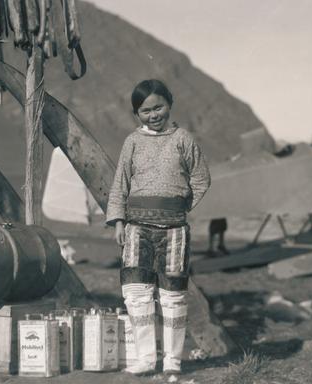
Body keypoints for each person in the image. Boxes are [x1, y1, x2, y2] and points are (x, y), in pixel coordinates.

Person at [106, 79, 211, 375]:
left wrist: (180, 205)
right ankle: (146, 358)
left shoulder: (183, 139)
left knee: (173, 296)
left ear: (170, 103)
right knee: (137, 295)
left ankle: (173, 361)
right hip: (137, 230)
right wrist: (118, 221)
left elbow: (201, 178)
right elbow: (120, 184)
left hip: (174, 233)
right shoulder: (132, 142)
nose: (153, 115)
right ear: (136, 114)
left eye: (158, 107)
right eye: (145, 110)